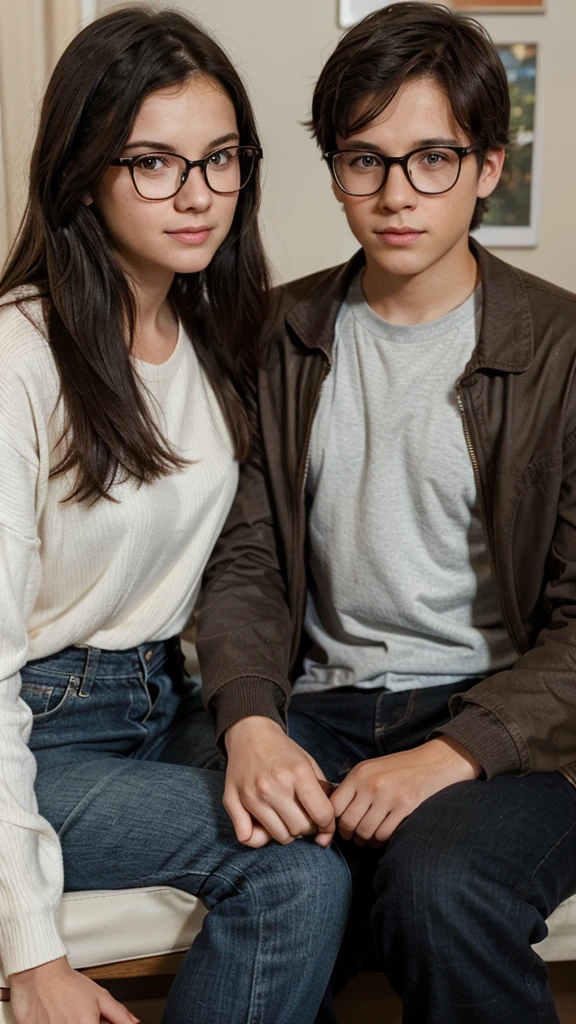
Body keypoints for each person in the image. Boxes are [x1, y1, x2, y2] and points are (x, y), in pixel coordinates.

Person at [195, 3, 576, 1021]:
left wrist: (454, 753)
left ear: (489, 165)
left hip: (505, 726)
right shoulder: (274, 334)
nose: (396, 194)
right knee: (280, 882)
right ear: (333, 170)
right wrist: (250, 722)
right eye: (365, 161)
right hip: (315, 710)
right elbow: (246, 561)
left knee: (439, 887)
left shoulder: (563, 349)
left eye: (432, 159)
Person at [0, 7, 351, 1023]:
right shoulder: (22, 359)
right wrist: (32, 959)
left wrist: (246, 721)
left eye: (221, 159)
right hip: (43, 732)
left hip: (165, 701)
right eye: (153, 163)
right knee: (293, 874)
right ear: (83, 172)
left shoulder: (218, 334)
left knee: (330, 820)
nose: (198, 196)